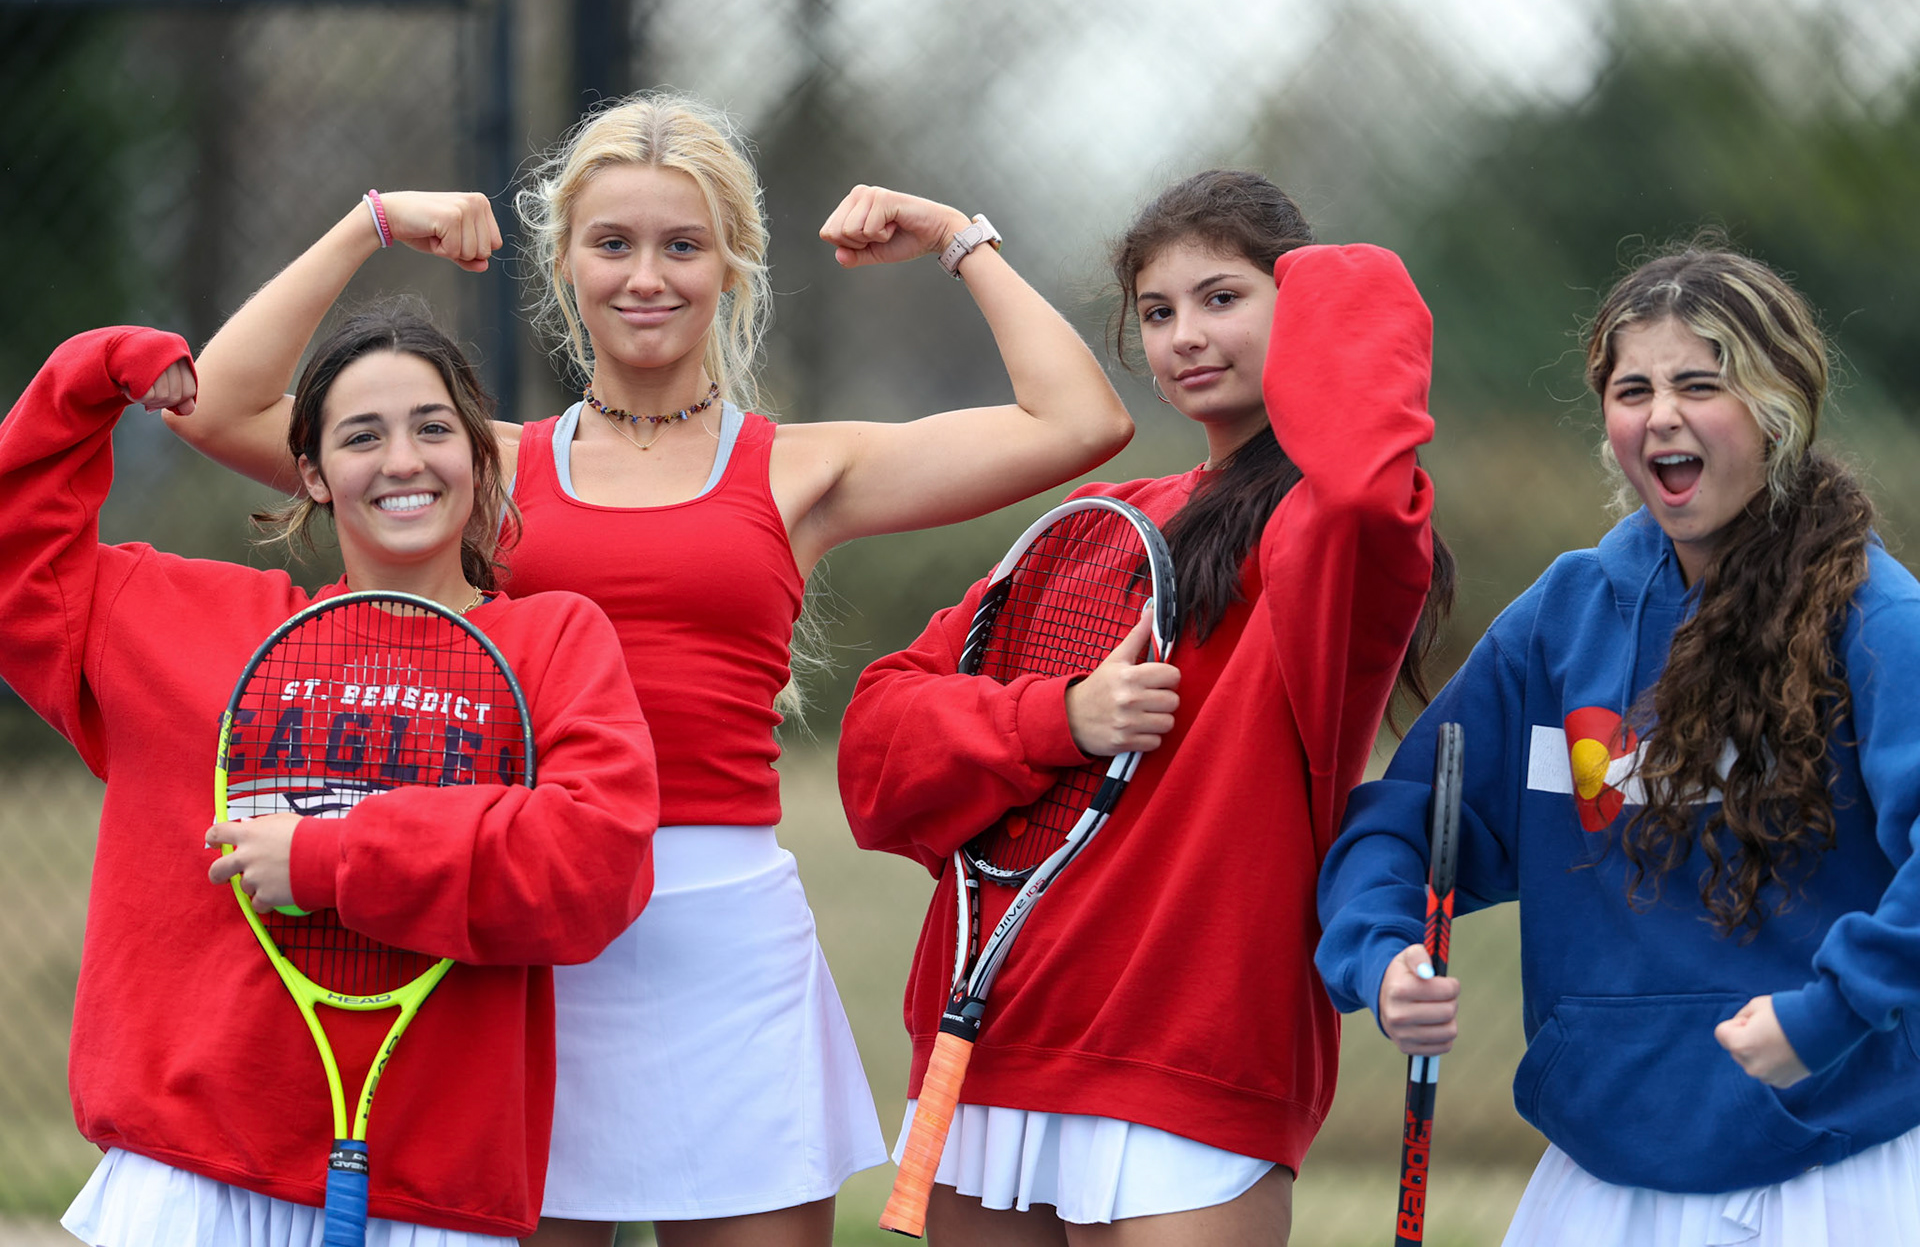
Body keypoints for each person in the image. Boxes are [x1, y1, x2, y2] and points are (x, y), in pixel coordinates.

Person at [166, 91, 1133, 1246]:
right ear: (565, 262)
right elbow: (216, 403)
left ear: (731, 264)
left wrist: (954, 239)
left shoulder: (801, 470)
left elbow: (1080, 419)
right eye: (611, 243)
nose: (647, 277)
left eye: (683, 245)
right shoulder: (486, 465)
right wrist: (370, 220)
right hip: (529, 925)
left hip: (726, 947)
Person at [836, 169, 1453, 1243]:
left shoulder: (1331, 543)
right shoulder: (1099, 520)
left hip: (1192, 1057)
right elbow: (879, 745)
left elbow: (1360, 475)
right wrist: (1059, 718)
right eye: (1158, 312)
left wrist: (955, 235)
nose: (1184, 336)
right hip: (995, 1039)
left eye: (1223, 298)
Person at [0, 307, 660, 1245]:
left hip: (430, 1196)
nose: (403, 461)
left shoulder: (552, 644)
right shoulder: (198, 625)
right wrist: (90, 373)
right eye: (362, 436)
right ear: (310, 470)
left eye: (434, 428)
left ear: (479, 455)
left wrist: (331, 859)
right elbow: (19, 558)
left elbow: (593, 865)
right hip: (190, 1174)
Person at [1317, 244, 1920, 1246]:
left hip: (1837, 1160)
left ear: (1781, 410)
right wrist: (1381, 957)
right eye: (1632, 387)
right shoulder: (1563, 618)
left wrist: (1831, 1011)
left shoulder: (1879, 619)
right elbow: (1406, 820)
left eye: (1700, 383)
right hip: (1600, 1175)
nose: (1661, 414)